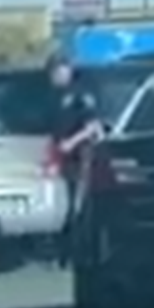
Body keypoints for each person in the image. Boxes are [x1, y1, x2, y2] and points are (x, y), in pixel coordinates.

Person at [44, 56, 102, 267]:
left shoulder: (81, 93)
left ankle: (80, 253)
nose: (55, 77)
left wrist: (71, 142)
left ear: (67, 71)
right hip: (64, 158)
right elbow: (55, 131)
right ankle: (65, 251)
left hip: (82, 157)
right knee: (66, 204)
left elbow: (93, 126)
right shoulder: (55, 96)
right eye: (53, 73)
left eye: (58, 72)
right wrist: (53, 157)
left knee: (79, 207)